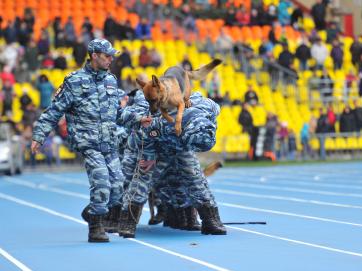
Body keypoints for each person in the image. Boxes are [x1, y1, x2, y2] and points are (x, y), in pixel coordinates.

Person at [31, 39, 125, 243]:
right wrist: (39, 136)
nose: (111, 59)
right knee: (101, 182)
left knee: (118, 187)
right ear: (94, 55)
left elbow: (118, 113)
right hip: (88, 143)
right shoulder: (74, 81)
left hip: (109, 143)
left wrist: (138, 119)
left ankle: (95, 212)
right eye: (107, 55)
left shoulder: (111, 80)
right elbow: (54, 111)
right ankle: (95, 228)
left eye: (112, 56)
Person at [117, 89, 226, 237]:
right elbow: (144, 136)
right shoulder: (164, 121)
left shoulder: (207, 108)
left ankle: (211, 221)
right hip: (156, 146)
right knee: (141, 181)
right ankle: (127, 223)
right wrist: (149, 158)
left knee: (196, 179)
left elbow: (215, 109)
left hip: (181, 147)